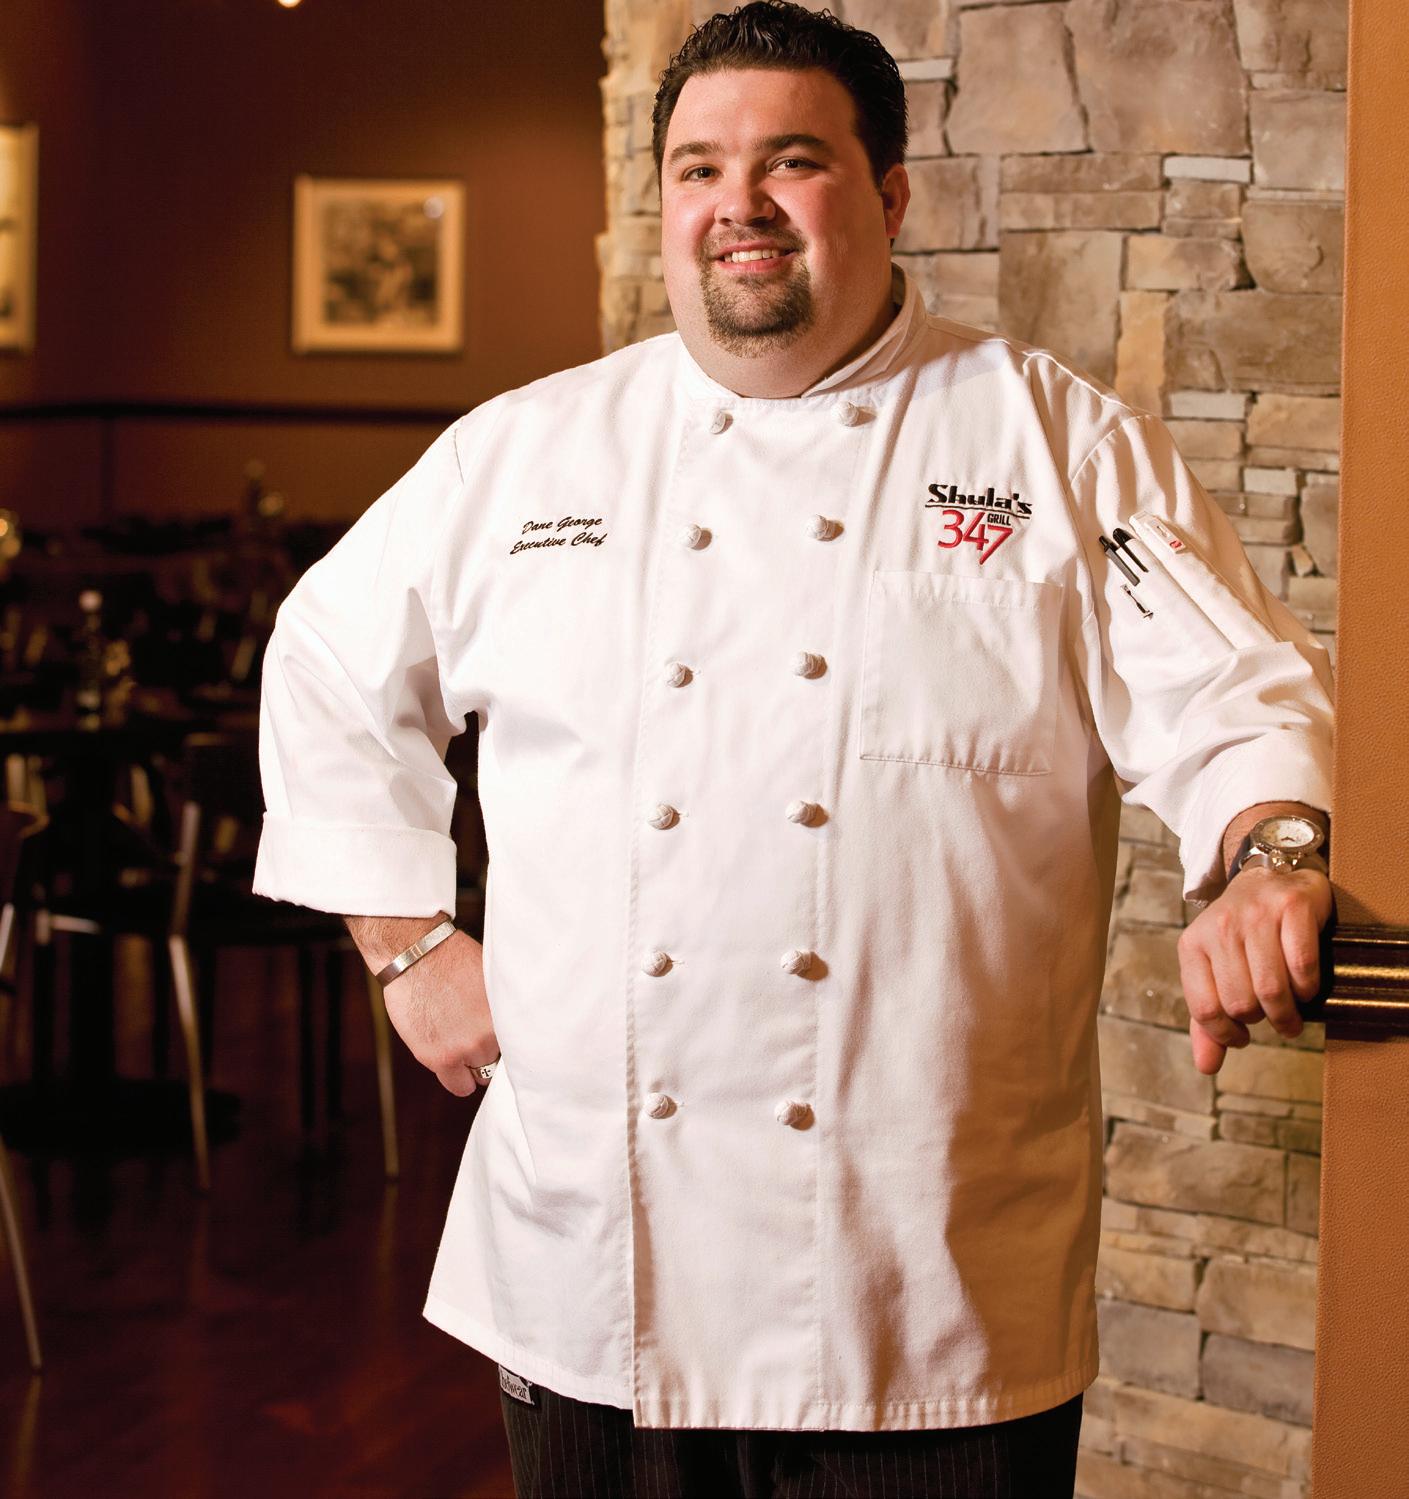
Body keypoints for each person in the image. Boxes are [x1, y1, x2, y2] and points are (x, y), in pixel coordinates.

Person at [252, 4, 1334, 1494]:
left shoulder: (1053, 448)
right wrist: (406, 946)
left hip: (928, 1284)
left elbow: (1236, 699)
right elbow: (324, 660)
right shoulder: (525, 453)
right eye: (699, 168)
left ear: (890, 195)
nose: (738, 205)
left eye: (792, 162)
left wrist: (1271, 859)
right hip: (596, 1264)